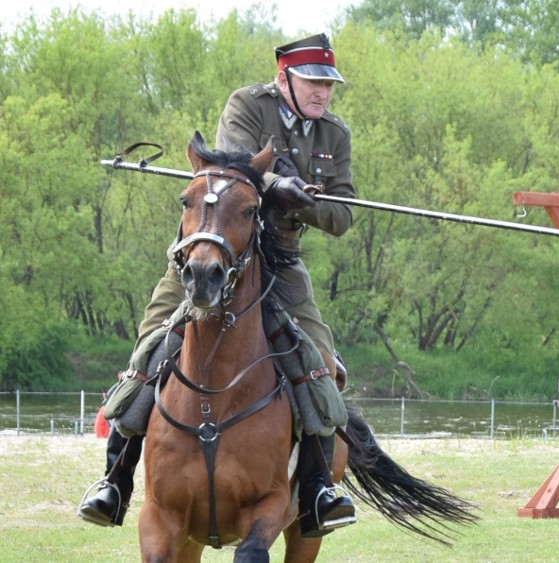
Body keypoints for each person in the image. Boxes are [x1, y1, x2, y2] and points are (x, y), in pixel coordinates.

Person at [78, 33, 357, 538]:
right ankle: (114, 480)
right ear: (284, 79)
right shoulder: (247, 105)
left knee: (319, 361)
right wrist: (274, 184)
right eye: (313, 82)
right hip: (211, 252)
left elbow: (341, 216)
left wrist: (302, 201)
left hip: (280, 261)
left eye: (328, 85)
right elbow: (229, 168)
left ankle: (318, 490)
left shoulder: (334, 134)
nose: (322, 93)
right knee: (150, 349)